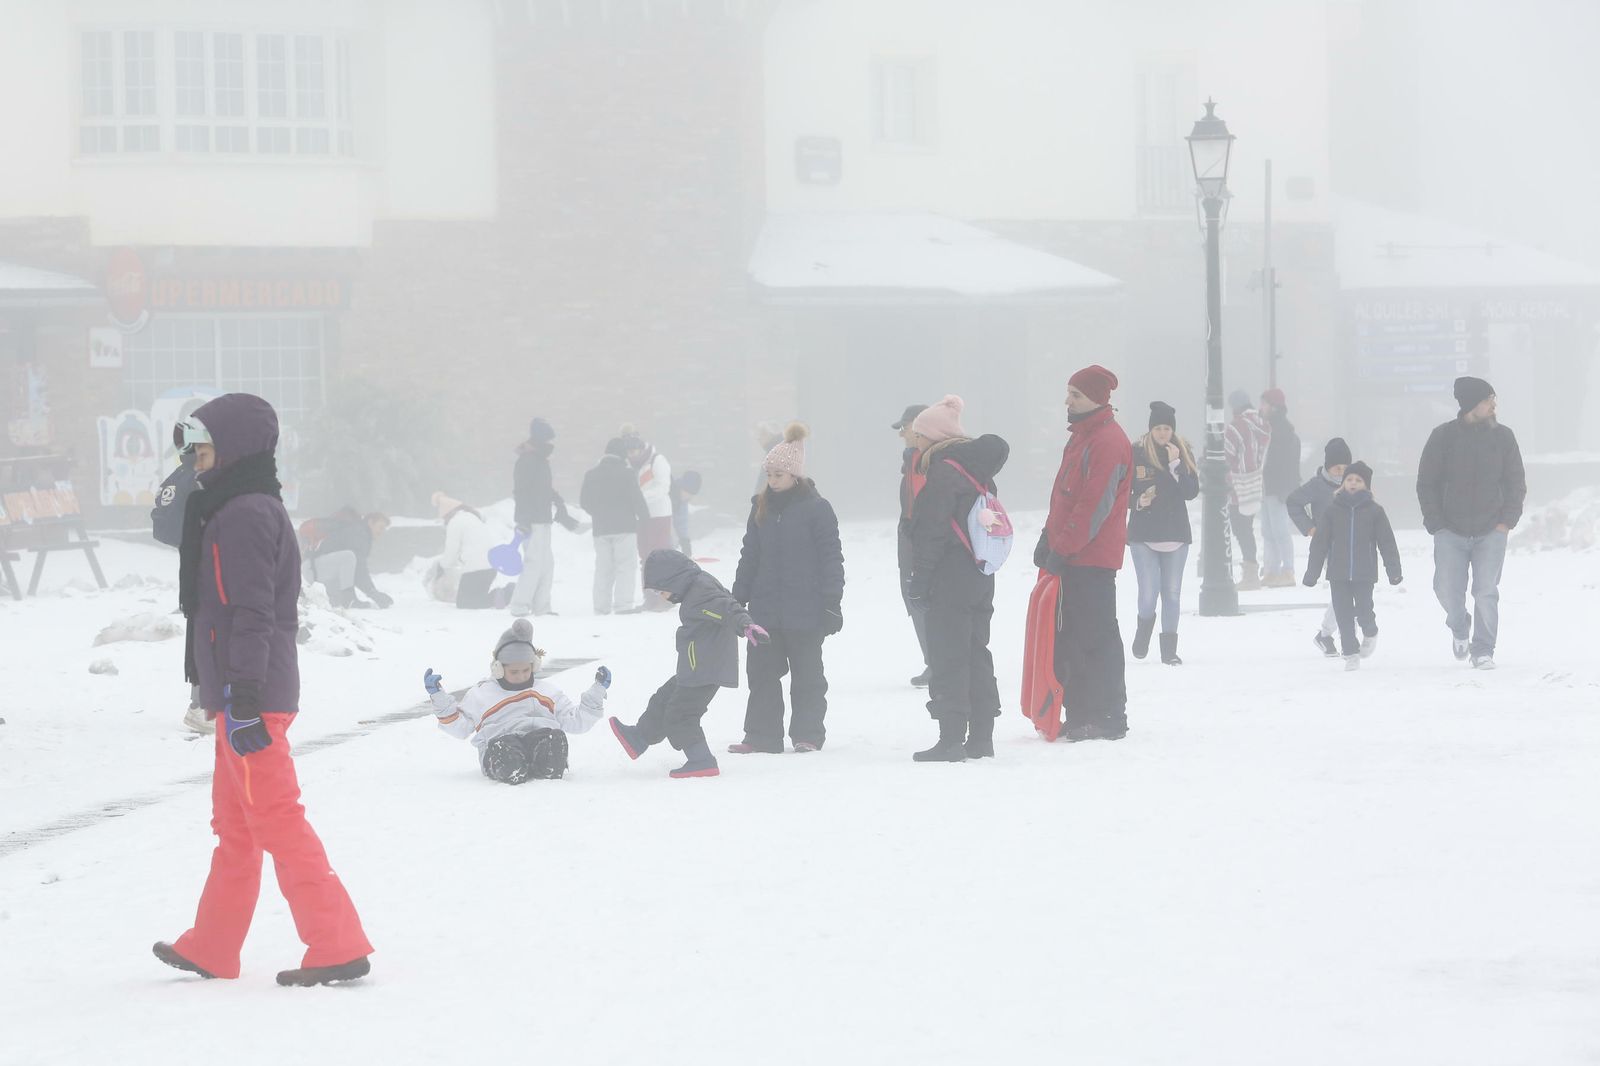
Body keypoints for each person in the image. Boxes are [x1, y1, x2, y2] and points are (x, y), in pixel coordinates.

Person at [154, 392, 372, 988]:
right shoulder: (233, 505)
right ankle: (213, 946)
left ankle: (336, 942)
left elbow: (250, 611)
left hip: (250, 696)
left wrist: (243, 695)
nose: (193, 460)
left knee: (276, 820)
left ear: (232, 446)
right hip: (240, 691)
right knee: (236, 829)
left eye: (200, 448)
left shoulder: (245, 514)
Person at [729, 423, 845, 754]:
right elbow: (750, 555)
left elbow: (831, 558)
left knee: (808, 676)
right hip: (765, 609)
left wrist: (831, 602)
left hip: (806, 610)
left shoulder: (817, 509)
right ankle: (761, 735)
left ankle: (808, 734)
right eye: (769, 474)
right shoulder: (760, 507)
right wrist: (737, 598)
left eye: (778, 474)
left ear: (794, 474)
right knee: (762, 674)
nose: (773, 480)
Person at [907, 395, 1009, 762]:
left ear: (934, 437)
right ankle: (982, 737)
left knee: (949, 655)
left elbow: (932, 531)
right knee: (976, 651)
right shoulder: (978, 473)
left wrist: (920, 579)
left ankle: (950, 738)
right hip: (980, 572)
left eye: (919, 435)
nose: (915, 442)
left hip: (949, 576)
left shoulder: (943, 473)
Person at [608, 550, 769, 779]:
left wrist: (745, 625)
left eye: (660, 590)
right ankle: (639, 738)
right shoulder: (696, 586)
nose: (662, 596)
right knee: (664, 697)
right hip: (697, 666)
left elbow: (727, 608)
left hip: (705, 669)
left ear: (672, 579)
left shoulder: (701, 593)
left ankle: (701, 760)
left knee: (681, 714)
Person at [1036, 365, 1133, 742]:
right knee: (1072, 637)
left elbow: (1094, 506)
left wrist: (1062, 547)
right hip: (1074, 555)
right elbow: (1064, 497)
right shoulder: (1082, 436)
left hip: (1092, 559)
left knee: (1096, 637)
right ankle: (1080, 712)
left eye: (1075, 395)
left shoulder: (1108, 441)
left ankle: (1108, 715)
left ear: (1095, 399)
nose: (1068, 401)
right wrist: (1048, 537)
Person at [1416, 377, 1527, 670]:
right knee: (1445, 589)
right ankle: (1459, 625)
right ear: (1471, 404)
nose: (1493, 405)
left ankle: (1483, 650)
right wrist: (1436, 523)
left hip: (1492, 529)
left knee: (1485, 591)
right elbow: (1426, 483)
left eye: (1493, 400)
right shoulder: (1442, 437)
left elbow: (1516, 481)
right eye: (1488, 400)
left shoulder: (1504, 437)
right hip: (1449, 530)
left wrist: (1507, 520)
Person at [423, 619, 610, 783]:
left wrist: (597, 692)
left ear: (534, 666)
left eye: (526, 670)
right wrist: (438, 697)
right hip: (501, 743)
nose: (521, 676)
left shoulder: (546, 692)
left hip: (539, 740)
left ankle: (547, 765)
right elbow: (460, 727)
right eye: (514, 672)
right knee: (504, 748)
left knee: (554, 738)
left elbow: (575, 721)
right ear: (498, 668)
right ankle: (511, 766)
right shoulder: (482, 694)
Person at [1303, 461, 1402, 671]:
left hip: (1364, 573)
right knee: (1343, 614)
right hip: (1337, 573)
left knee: (1364, 610)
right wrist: (1312, 573)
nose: (1353, 483)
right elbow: (1320, 543)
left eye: (1358, 480)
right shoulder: (1332, 511)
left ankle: (1370, 631)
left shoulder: (1375, 511)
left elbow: (1387, 542)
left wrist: (1393, 570)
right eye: (1349, 479)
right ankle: (1350, 653)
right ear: (1343, 483)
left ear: (1366, 485)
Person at [1126, 401, 1199, 666]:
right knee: (1148, 593)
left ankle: (1169, 650)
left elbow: (1191, 492)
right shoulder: (1136, 452)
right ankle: (1143, 631)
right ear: (1150, 429)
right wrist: (1137, 501)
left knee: (1172, 593)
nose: (1162, 433)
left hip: (1175, 533)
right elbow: (1120, 490)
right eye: (1157, 428)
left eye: (1167, 428)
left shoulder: (1182, 451)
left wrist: (1175, 464)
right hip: (1143, 533)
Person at [152, 447, 211, 734]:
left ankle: (202, 704)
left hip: (192, 563)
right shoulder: (200, 478)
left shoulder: (179, 475)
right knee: (209, 631)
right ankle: (201, 706)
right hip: (207, 561)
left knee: (201, 629)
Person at [1287, 437, 1352, 656]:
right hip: (1328, 548)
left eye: (1345, 468)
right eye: (1336, 468)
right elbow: (1293, 502)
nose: (1340, 472)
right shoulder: (1317, 486)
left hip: (1354, 546)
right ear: (1327, 466)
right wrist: (1309, 528)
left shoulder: (1354, 483)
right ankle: (1347, 638)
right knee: (1344, 591)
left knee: (1348, 592)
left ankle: (1325, 635)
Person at [510, 417, 581, 617]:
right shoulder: (527, 461)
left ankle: (542, 606)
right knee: (533, 563)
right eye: (548, 440)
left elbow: (544, 489)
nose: (550, 444)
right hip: (532, 521)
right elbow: (521, 492)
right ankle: (519, 606)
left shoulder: (540, 461)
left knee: (546, 564)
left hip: (543, 519)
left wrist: (558, 503)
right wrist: (524, 520)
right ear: (539, 439)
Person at [579, 438, 651, 614]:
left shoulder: (591, 474)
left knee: (603, 569)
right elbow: (637, 499)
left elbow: (584, 502)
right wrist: (645, 518)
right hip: (625, 528)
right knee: (625, 567)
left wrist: (598, 513)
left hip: (601, 529)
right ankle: (623, 605)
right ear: (622, 455)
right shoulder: (627, 474)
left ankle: (601, 607)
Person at [893, 403, 931, 687]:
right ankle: (934, 661)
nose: (901, 434)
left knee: (921, 599)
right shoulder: (912, 460)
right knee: (914, 598)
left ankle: (938, 662)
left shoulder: (925, 462)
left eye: (904, 428)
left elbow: (925, 506)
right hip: (911, 538)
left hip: (921, 541)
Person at [621, 426, 674, 611]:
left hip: (659, 514)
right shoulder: (628, 465)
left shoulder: (657, 460)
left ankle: (665, 598)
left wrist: (639, 498)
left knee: (659, 557)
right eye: (628, 452)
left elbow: (663, 487)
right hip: (641, 516)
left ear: (641, 448)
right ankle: (650, 598)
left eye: (634, 451)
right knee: (645, 557)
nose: (632, 455)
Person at [1224, 389, 1271, 590]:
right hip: (1255, 484)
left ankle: (1250, 574)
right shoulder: (1263, 425)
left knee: (1240, 529)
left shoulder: (1235, 427)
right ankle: (1251, 571)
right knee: (1247, 529)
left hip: (1237, 485)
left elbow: (1226, 455)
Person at [304, 508, 393, 609]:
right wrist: (372, 592)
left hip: (316, 568)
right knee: (349, 556)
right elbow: (359, 567)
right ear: (370, 522)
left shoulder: (359, 532)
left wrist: (373, 592)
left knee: (336, 603)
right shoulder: (358, 532)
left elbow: (353, 571)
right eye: (380, 527)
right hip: (313, 568)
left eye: (384, 529)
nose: (382, 532)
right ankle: (349, 599)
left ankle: (343, 598)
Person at [425, 492, 501, 609]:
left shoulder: (455, 522)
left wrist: (441, 566)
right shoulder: (471, 518)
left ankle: (505, 593)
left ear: (447, 514)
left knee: (465, 603)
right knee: (475, 599)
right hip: (490, 568)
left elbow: (451, 555)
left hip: (476, 570)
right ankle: (501, 595)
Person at [1258, 387, 1301, 588]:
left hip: (1277, 489)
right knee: (1268, 531)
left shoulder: (1282, 430)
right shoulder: (1267, 428)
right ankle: (1272, 570)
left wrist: (1286, 488)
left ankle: (1287, 570)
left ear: (1274, 407)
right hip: (1266, 488)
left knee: (1280, 530)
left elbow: (1286, 464)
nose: (1261, 407)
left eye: (1264, 403)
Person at [671, 470, 702, 556]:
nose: (689, 497)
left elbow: (681, 522)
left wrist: (685, 541)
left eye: (691, 495)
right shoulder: (667, 492)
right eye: (688, 493)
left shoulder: (683, 500)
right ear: (682, 487)